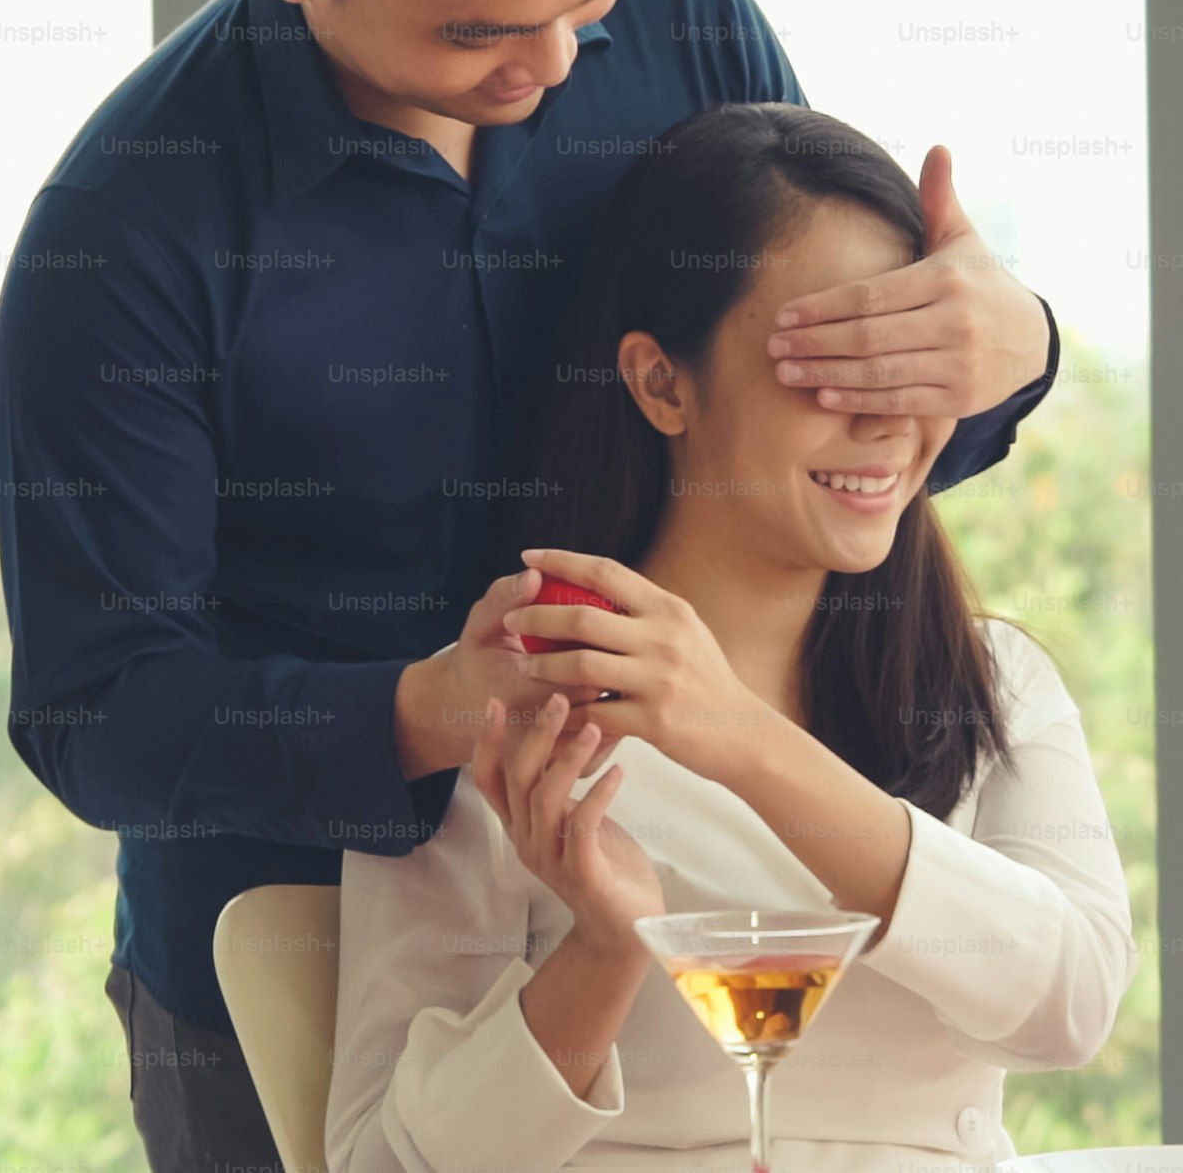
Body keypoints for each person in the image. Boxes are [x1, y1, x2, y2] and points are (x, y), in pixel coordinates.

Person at [0, 0, 1061, 1168]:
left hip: (679, 879)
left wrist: (1004, 347)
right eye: (475, 35)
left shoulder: (688, 22)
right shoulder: (134, 231)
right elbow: (93, 709)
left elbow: (793, 412)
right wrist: (429, 707)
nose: (553, 67)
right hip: (286, 950)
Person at [327, 103, 1134, 1173]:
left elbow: (1069, 1006)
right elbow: (385, 1164)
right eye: (832, 360)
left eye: (910, 361)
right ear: (662, 382)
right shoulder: (500, 693)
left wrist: (740, 739)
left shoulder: (987, 679)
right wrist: (608, 950)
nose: (887, 417)